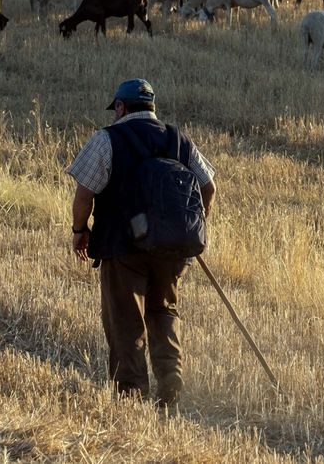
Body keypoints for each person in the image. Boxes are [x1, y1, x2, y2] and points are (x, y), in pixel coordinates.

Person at [67, 78, 215, 406]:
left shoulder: (108, 138)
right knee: (163, 310)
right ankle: (170, 375)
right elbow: (209, 186)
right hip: (173, 249)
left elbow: (84, 193)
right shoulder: (180, 139)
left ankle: (132, 395)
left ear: (121, 107)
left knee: (125, 319)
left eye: (116, 109)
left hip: (123, 248)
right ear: (151, 108)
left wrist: (80, 229)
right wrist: (193, 224)